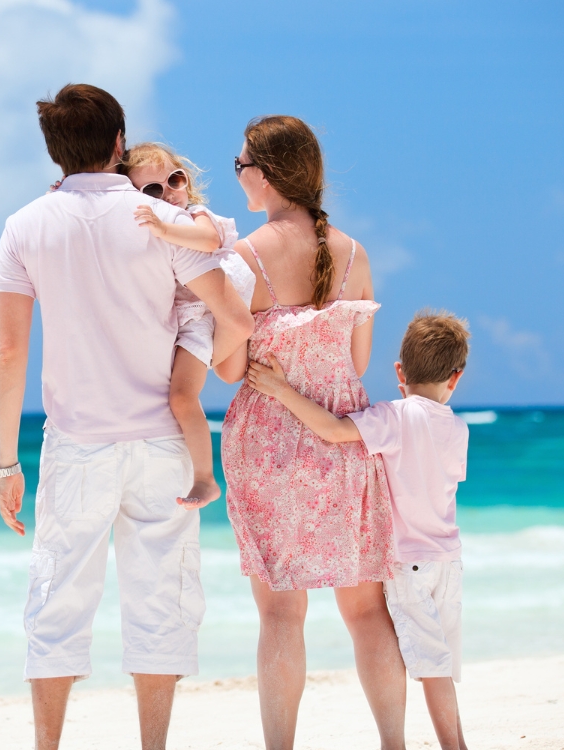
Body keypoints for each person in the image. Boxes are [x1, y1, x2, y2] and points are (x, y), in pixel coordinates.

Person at [0, 84, 254, 750]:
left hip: (76, 444)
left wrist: (7, 463)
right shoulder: (158, 220)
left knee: (57, 602)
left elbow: (11, 351)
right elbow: (227, 306)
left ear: (55, 152)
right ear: (118, 144)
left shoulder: (24, 225)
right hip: (162, 442)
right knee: (160, 600)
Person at [211, 115, 405, 750]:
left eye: (241, 165)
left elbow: (231, 368)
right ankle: (395, 744)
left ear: (264, 175)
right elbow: (356, 364)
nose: (238, 175)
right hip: (345, 440)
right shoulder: (355, 253)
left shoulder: (246, 257)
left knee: (279, 613)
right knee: (367, 611)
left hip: (268, 445)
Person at [246, 310, 472, 750]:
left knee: (430, 664)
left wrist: (280, 388)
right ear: (455, 379)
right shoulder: (458, 430)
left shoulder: (392, 417)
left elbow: (332, 430)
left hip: (409, 565)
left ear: (399, 372)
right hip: (449, 561)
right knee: (440, 662)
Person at [124, 142, 258, 508]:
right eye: (153, 190)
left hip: (204, 311)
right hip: (182, 315)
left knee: (182, 398)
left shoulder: (195, 216)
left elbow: (209, 240)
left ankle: (205, 478)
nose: (168, 192)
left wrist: (164, 228)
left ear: (187, 180)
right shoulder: (150, 224)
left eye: (174, 179)